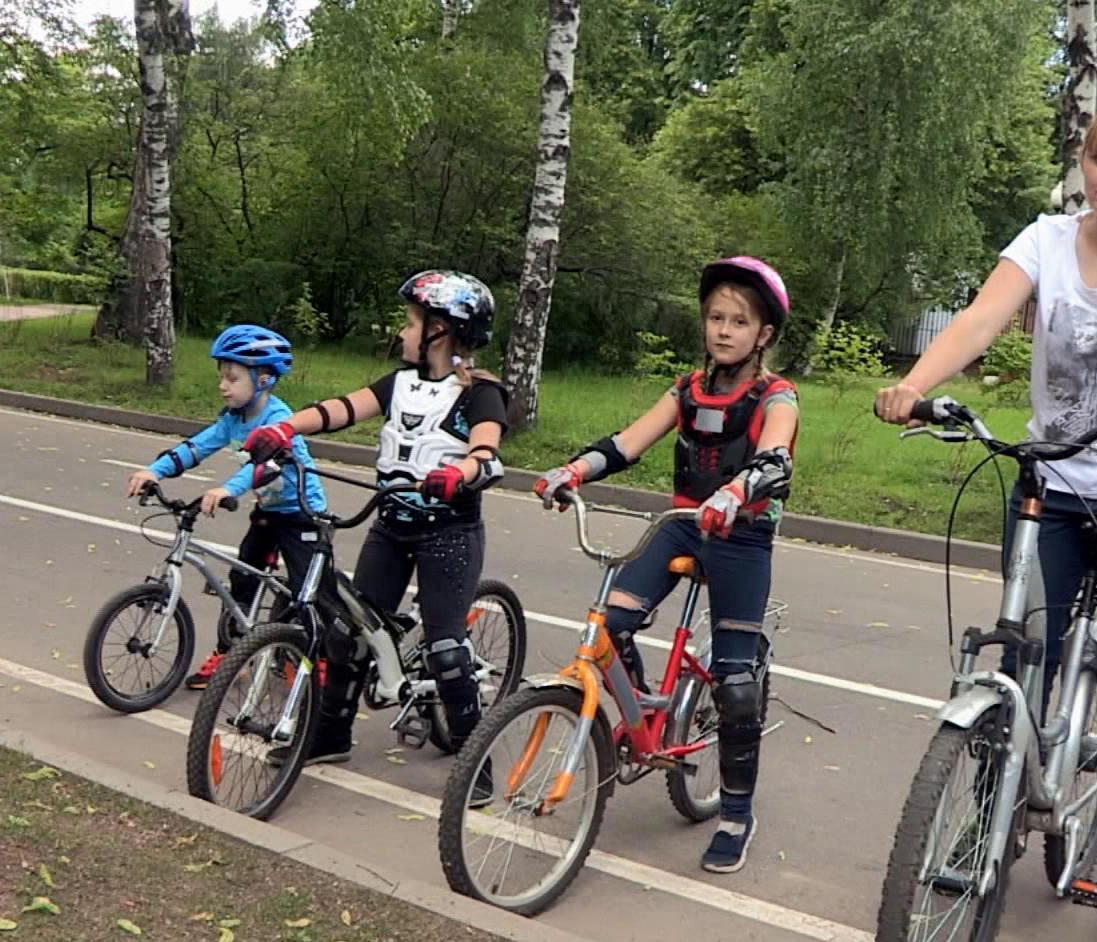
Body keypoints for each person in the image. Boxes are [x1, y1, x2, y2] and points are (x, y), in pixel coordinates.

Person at [874, 101, 1097, 942]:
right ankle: (985, 824)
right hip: (1056, 485)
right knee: (1020, 658)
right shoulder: (1044, 242)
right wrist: (915, 384)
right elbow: (981, 320)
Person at [535, 256, 798, 875]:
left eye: (739, 320)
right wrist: (572, 470)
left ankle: (735, 813)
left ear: (763, 334)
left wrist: (738, 492)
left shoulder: (775, 395)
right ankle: (640, 720)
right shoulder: (686, 390)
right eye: (715, 317)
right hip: (681, 523)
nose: (724, 330)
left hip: (742, 535)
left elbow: (775, 456)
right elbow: (627, 443)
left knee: (735, 685)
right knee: (607, 626)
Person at [243, 270, 507, 770]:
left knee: (447, 651)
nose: (402, 333)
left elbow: (487, 452)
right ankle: (329, 736)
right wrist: (283, 427)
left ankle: (476, 763)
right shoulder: (400, 384)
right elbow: (341, 409)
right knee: (349, 632)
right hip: (390, 525)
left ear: (441, 330)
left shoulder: (481, 393)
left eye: (411, 324)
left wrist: (463, 471)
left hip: (449, 534)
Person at [126, 324, 327, 689]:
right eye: (222, 377)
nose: (223, 386)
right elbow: (196, 447)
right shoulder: (232, 420)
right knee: (243, 579)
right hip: (268, 512)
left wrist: (226, 489)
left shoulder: (279, 420)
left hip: (302, 513)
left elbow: (265, 466)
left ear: (264, 379)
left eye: (232, 378)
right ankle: (231, 652)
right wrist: (154, 470)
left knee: (307, 590)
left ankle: (319, 659)